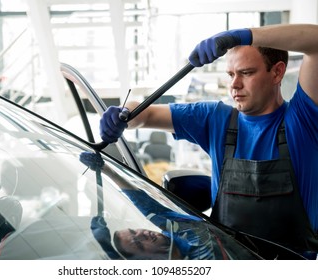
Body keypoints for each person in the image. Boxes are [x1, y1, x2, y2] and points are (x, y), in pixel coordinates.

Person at [98, 24, 318, 258]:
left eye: (246, 73)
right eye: (231, 74)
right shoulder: (215, 119)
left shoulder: (303, 120)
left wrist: (243, 35)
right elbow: (147, 114)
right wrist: (124, 115)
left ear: (277, 72)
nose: (234, 84)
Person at [80, 151, 228, 260]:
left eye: (134, 231)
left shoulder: (183, 231)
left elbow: (149, 208)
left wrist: (107, 170)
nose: (142, 233)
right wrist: (109, 252)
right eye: (138, 243)